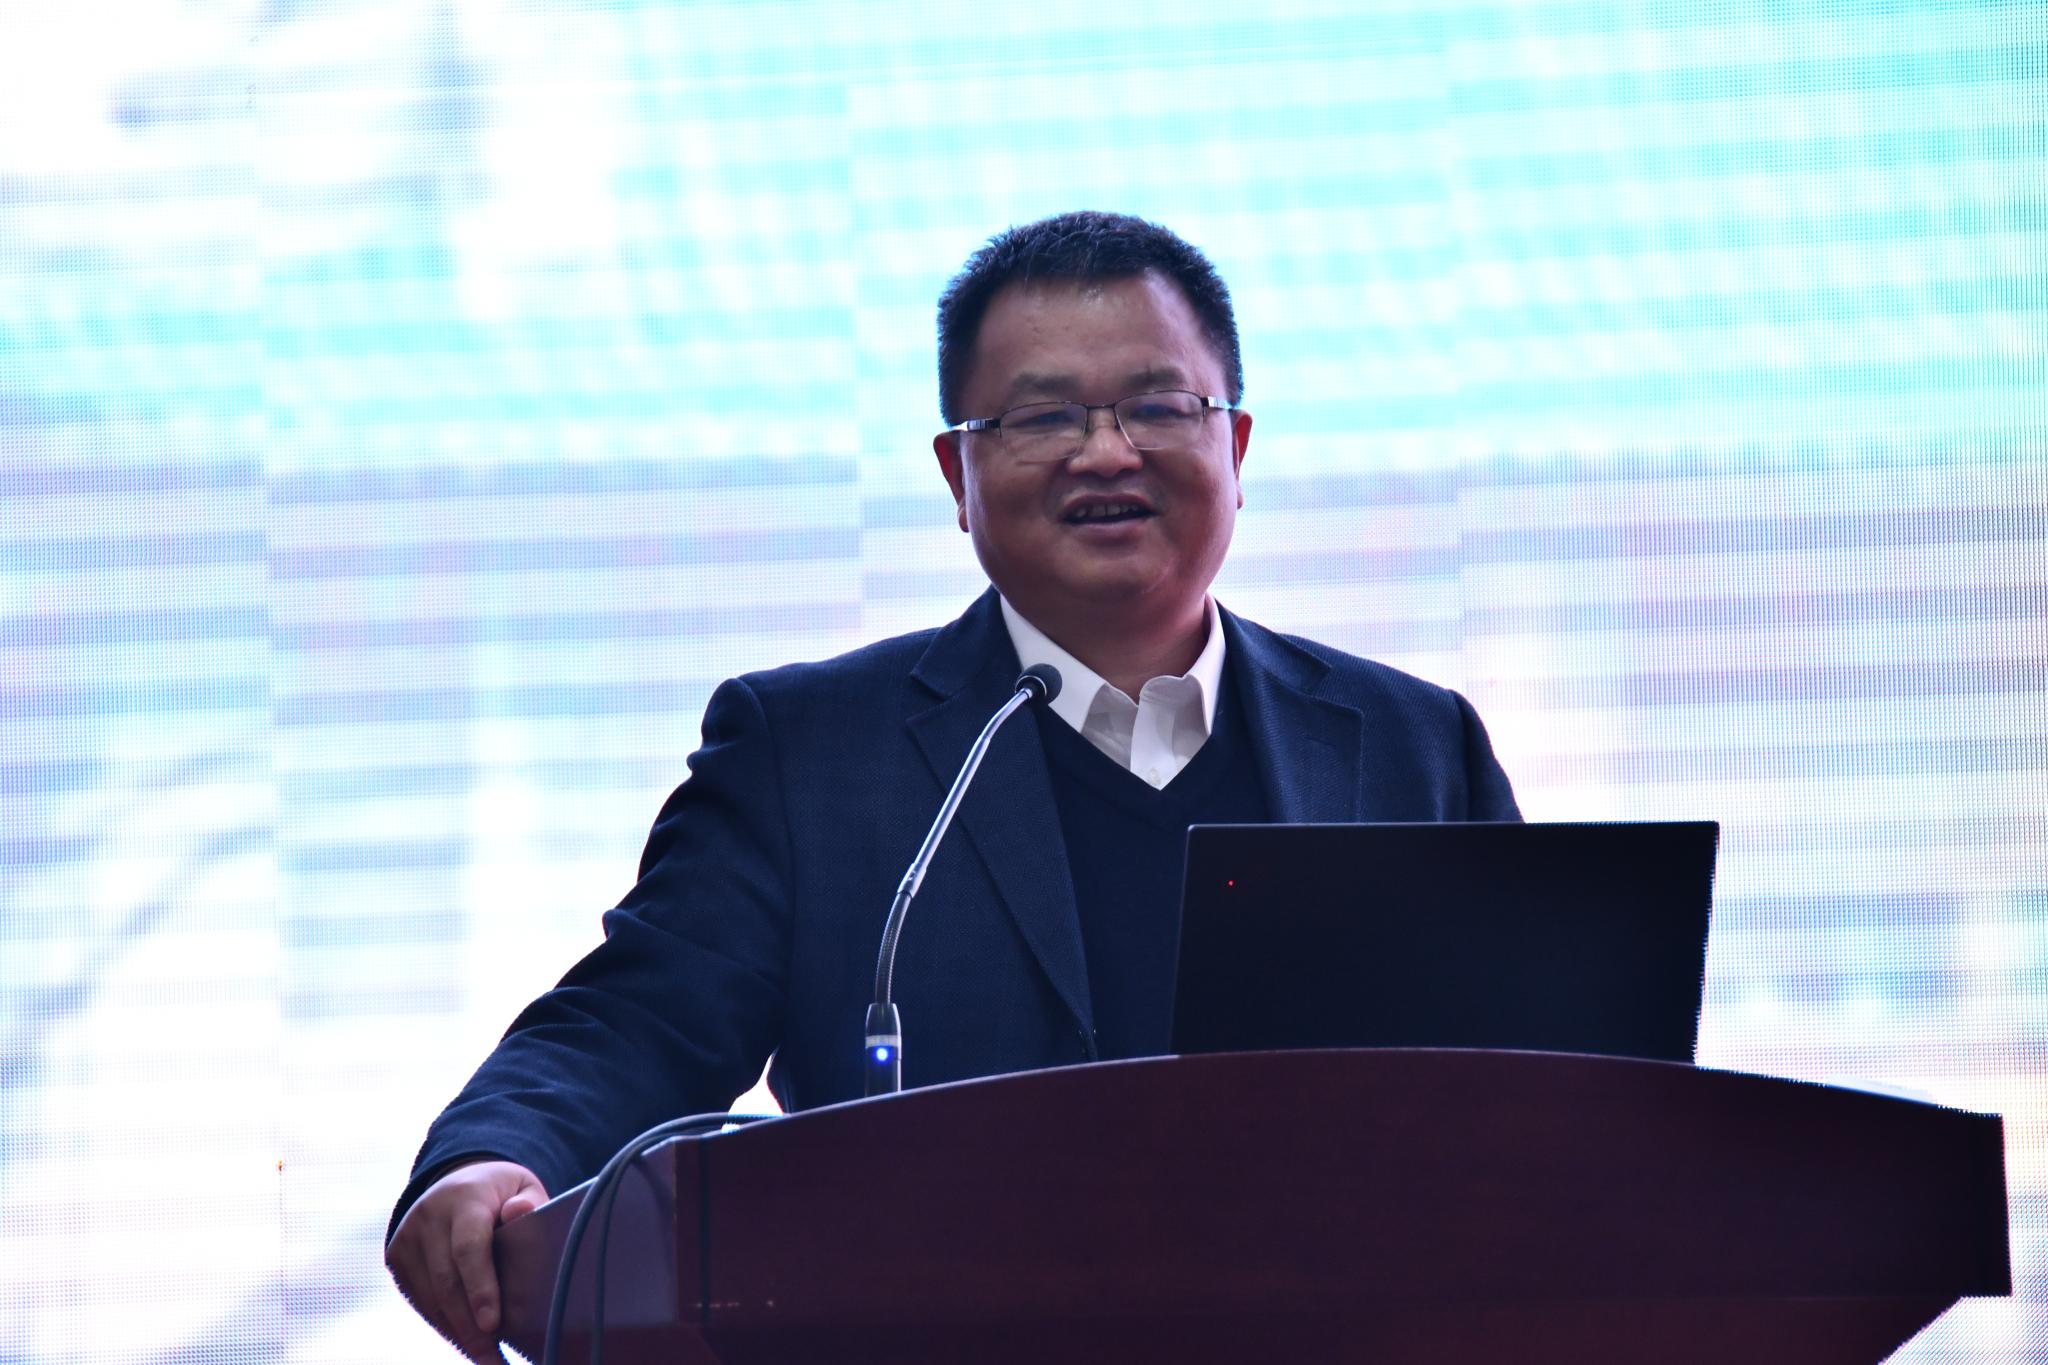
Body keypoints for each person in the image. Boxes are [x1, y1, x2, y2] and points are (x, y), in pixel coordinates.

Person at [384, 210, 1520, 1360]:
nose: (1105, 452)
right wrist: (495, 1154)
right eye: (1041, 417)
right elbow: (638, 1020)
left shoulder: (1411, 745)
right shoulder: (806, 756)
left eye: (1157, 406)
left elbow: (1541, 1096)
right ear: (956, 475)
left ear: (1233, 445)